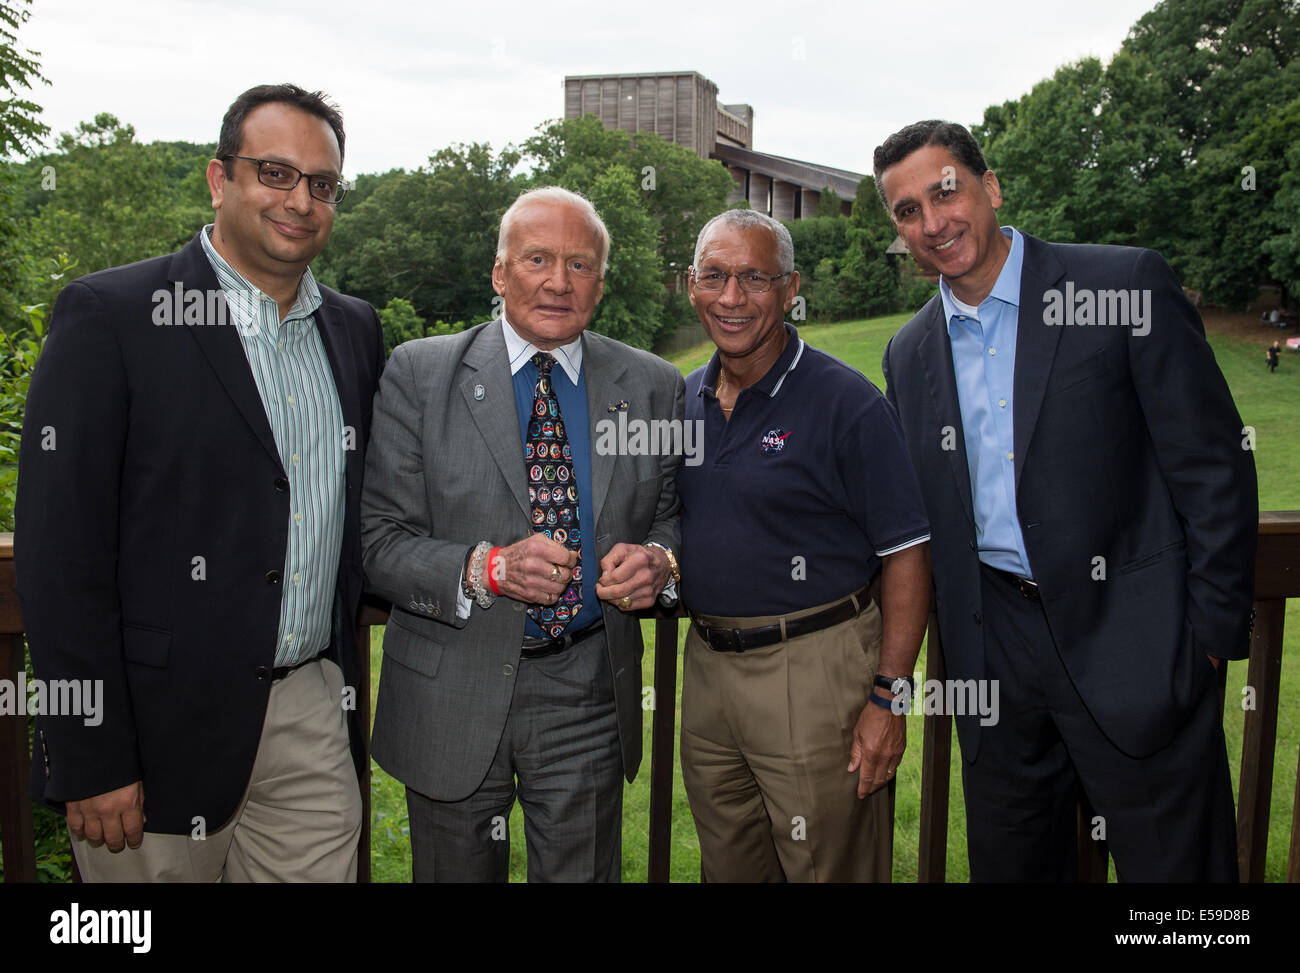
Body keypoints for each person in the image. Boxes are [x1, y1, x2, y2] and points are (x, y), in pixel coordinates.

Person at [14, 84, 385, 881]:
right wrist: (92, 750)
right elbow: (58, 555)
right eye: (275, 173)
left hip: (311, 708)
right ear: (221, 180)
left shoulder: (353, 330)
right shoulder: (111, 316)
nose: (300, 200)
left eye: (322, 184)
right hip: (152, 732)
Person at [876, 120, 1257, 882]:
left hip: (1137, 646)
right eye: (908, 211)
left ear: (991, 186)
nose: (933, 222)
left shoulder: (1120, 288)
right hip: (997, 668)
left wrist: (1204, 643)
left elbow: (1213, 465)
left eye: (944, 191)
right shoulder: (909, 350)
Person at [360, 186, 684, 882]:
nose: (557, 281)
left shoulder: (654, 385)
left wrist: (662, 560)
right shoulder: (419, 373)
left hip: (586, 687)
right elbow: (379, 542)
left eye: (579, 263)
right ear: (501, 272)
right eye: (537, 258)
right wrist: (487, 569)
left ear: (602, 279)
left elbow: (673, 513)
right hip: (452, 683)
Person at [676, 209, 931, 882]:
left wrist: (890, 700)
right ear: (692, 285)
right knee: (729, 866)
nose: (732, 297)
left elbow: (907, 553)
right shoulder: (682, 401)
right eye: (715, 276)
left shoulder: (848, 405)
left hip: (813, 670)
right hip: (707, 670)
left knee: (830, 866)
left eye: (754, 278)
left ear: (790, 290)